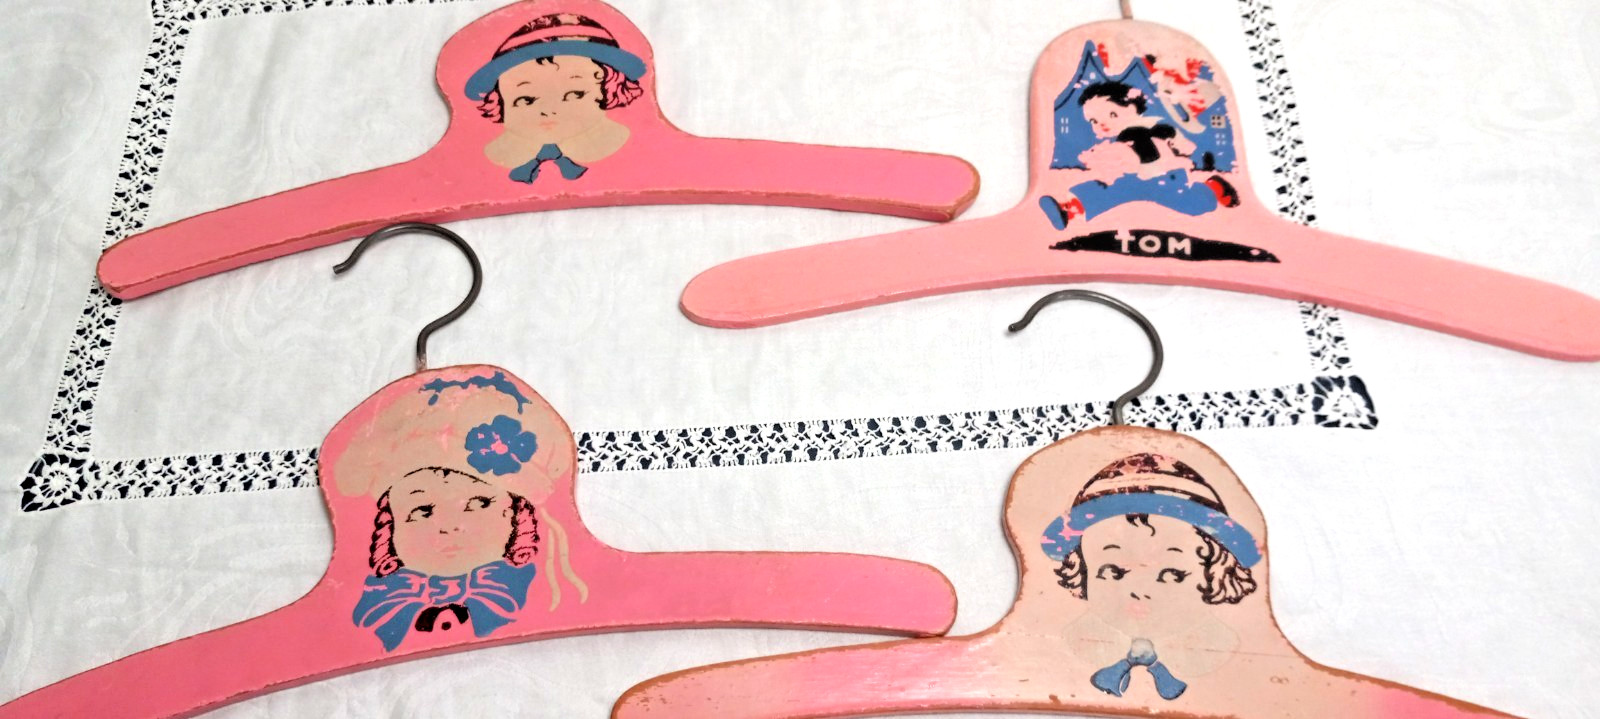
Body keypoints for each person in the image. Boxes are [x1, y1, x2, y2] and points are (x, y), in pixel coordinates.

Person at [337, 370, 582, 651]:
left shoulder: (547, 590)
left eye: (479, 503)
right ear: (389, 527)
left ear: (516, 513)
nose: (450, 525)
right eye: (422, 511)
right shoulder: (377, 605)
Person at [1041, 452, 1259, 700]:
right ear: (1082, 571)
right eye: (1112, 571)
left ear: (1216, 573)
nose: (1139, 590)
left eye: (1172, 574)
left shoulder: (1241, 660)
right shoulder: (1059, 647)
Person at [464, 13, 647, 183]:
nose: (548, 110)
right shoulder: (479, 160)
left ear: (608, 87)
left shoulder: (638, 153)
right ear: (501, 101)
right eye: (526, 99)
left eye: (574, 94)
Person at [1039, 81, 1239, 230]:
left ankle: (1214, 189)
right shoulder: (1131, 134)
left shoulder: (1140, 130)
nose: (1101, 124)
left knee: (1186, 202)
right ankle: (1069, 208)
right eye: (1093, 121)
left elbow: (1155, 151)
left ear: (1132, 106)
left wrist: (1177, 150)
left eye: (1112, 114)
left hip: (1164, 176)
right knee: (1108, 190)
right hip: (1140, 176)